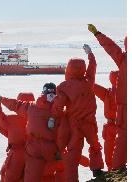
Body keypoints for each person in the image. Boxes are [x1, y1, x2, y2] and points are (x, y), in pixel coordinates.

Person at [51, 44, 104, 181]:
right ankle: (97, 169)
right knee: (94, 145)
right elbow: (92, 68)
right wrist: (90, 54)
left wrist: (53, 118)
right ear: (83, 69)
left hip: (74, 124)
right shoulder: (89, 82)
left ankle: (72, 179)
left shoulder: (63, 87)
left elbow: (58, 106)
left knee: (73, 153)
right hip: (90, 123)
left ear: (68, 69)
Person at [0, 83, 60, 182]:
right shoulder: (57, 112)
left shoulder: (16, 117)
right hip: (44, 152)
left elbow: (0, 120)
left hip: (19, 154)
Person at [88, 24, 127, 170]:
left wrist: (97, 34)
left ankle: (117, 168)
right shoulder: (108, 93)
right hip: (119, 115)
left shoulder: (124, 60)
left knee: (121, 141)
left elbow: (111, 47)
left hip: (123, 111)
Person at [0, 92, 35, 182]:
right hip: (34, 154)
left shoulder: (12, 120)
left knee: (8, 176)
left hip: (16, 155)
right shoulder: (38, 119)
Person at [94, 71, 118, 171]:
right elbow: (93, 86)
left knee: (109, 150)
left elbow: (92, 86)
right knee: (115, 150)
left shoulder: (107, 93)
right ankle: (115, 169)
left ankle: (111, 169)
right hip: (118, 126)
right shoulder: (108, 93)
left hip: (114, 126)